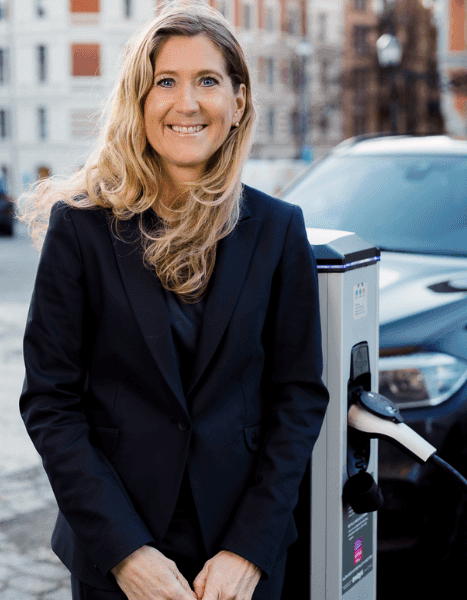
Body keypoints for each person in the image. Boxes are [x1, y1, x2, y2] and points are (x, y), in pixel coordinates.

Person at [17, 4, 329, 600]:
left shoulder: (278, 228)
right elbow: (51, 403)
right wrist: (126, 554)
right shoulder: (80, 229)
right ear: (140, 101)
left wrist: (248, 549)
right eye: (165, 81)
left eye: (207, 81)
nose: (186, 103)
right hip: (117, 557)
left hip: (241, 561)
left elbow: (297, 398)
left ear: (238, 104)